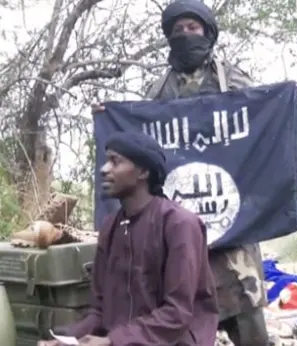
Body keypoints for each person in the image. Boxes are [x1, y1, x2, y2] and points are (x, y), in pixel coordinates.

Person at [91, 1, 269, 344]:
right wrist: (109, 115)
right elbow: (137, 146)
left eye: (192, 28)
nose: (184, 35)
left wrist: (287, 101)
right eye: (177, 30)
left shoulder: (233, 82)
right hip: (177, 236)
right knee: (182, 321)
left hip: (231, 231)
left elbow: (262, 123)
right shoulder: (157, 92)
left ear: (208, 32)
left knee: (249, 323)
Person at [38, 131, 219, 346]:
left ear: (143, 171)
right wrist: (70, 337)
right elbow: (98, 311)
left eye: (115, 162)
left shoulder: (180, 225)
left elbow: (176, 313)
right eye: (106, 161)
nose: (104, 169)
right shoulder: (110, 227)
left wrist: (112, 341)